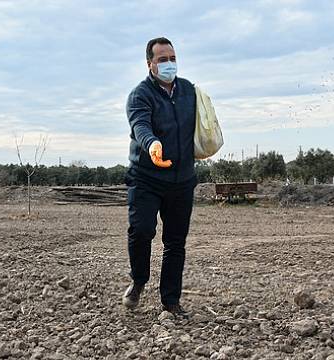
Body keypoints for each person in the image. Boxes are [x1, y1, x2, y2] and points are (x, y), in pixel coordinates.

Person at [122, 37, 197, 317]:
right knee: (141, 230)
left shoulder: (189, 90)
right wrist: (152, 144)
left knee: (175, 242)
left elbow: (205, 122)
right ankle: (139, 280)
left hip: (182, 179)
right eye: (162, 60)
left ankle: (170, 301)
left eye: (173, 58)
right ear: (150, 64)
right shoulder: (140, 95)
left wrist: (208, 142)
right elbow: (140, 124)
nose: (169, 64)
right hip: (146, 177)